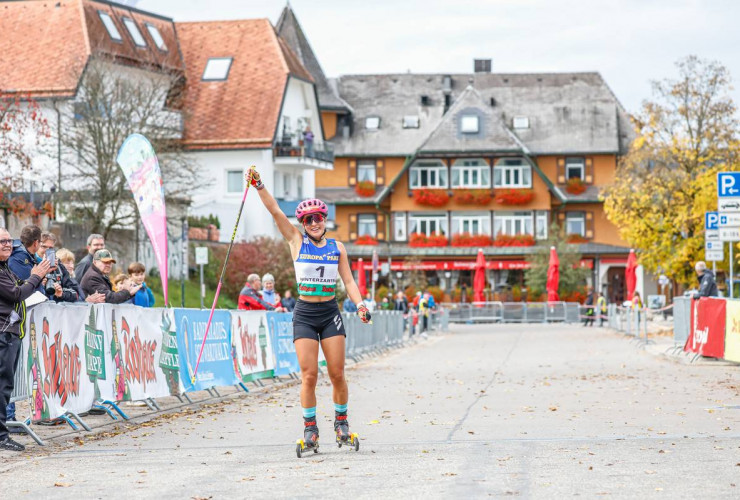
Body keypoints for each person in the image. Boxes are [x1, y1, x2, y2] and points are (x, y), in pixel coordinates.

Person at [248, 166, 369, 453]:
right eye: (308, 219)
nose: (314, 223)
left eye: (319, 218)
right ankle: (310, 428)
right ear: (302, 223)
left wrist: (361, 303)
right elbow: (276, 211)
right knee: (309, 375)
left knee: (337, 373)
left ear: (325, 220)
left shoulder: (337, 247)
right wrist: (259, 185)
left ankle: (341, 422)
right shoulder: (296, 241)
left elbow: (348, 280)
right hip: (304, 313)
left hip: (329, 313)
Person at [0, 227, 50, 451]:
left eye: (9, 241)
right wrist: (36, 276)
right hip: (4, 333)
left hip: (11, 332)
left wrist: (36, 279)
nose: (7, 245)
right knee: (3, 386)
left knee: (6, 386)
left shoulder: (5, 268)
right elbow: (16, 294)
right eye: (2, 242)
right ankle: (2, 436)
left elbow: (20, 289)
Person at [36, 233, 79, 303]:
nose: (47, 251)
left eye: (50, 248)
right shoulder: (31, 263)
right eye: (43, 247)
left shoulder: (59, 266)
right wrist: (41, 283)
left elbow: (76, 294)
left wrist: (61, 293)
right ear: (36, 246)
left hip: (56, 311)